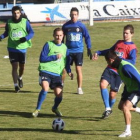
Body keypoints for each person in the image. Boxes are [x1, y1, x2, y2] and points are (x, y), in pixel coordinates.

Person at [92, 24, 137, 119]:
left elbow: (132, 61)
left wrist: (119, 60)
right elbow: (110, 51)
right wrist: (99, 52)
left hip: (119, 72)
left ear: (132, 34)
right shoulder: (118, 43)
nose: (125, 35)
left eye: (127, 33)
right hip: (110, 68)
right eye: (124, 33)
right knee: (102, 84)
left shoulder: (132, 47)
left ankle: (109, 109)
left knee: (112, 94)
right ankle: (107, 108)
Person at [32, 28, 72, 117]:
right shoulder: (48, 44)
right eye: (57, 35)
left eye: (60, 35)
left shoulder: (65, 48)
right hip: (46, 71)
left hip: (57, 74)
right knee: (45, 88)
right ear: (53, 36)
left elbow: (66, 62)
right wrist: (54, 57)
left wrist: (69, 71)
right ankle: (37, 109)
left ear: (63, 36)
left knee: (59, 95)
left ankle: (55, 108)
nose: (58, 37)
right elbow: (42, 59)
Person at [105, 50, 140, 137]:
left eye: (107, 61)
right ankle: (138, 110)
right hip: (128, 88)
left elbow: (138, 77)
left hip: (136, 89)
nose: (108, 64)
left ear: (111, 60)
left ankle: (128, 131)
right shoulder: (118, 64)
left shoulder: (125, 67)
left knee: (125, 107)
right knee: (121, 106)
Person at [0, 6, 34, 92]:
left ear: (20, 13)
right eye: (14, 13)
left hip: (22, 48)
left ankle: (20, 77)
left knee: (22, 67)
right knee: (14, 66)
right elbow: (7, 32)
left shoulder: (25, 22)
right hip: (12, 48)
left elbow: (31, 32)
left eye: (18, 13)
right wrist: (1, 37)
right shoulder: (9, 22)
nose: (16, 15)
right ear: (12, 13)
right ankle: (16, 86)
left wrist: (25, 38)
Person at [62, 7, 92, 95]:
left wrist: (89, 48)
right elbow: (61, 38)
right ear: (69, 15)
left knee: (78, 69)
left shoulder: (81, 26)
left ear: (78, 15)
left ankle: (79, 88)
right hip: (68, 51)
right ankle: (61, 85)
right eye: (72, 15)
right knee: (63, 69)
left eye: (75, 15)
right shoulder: (65, 26)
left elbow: (87, 37)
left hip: (79, 51)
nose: (73, 16)